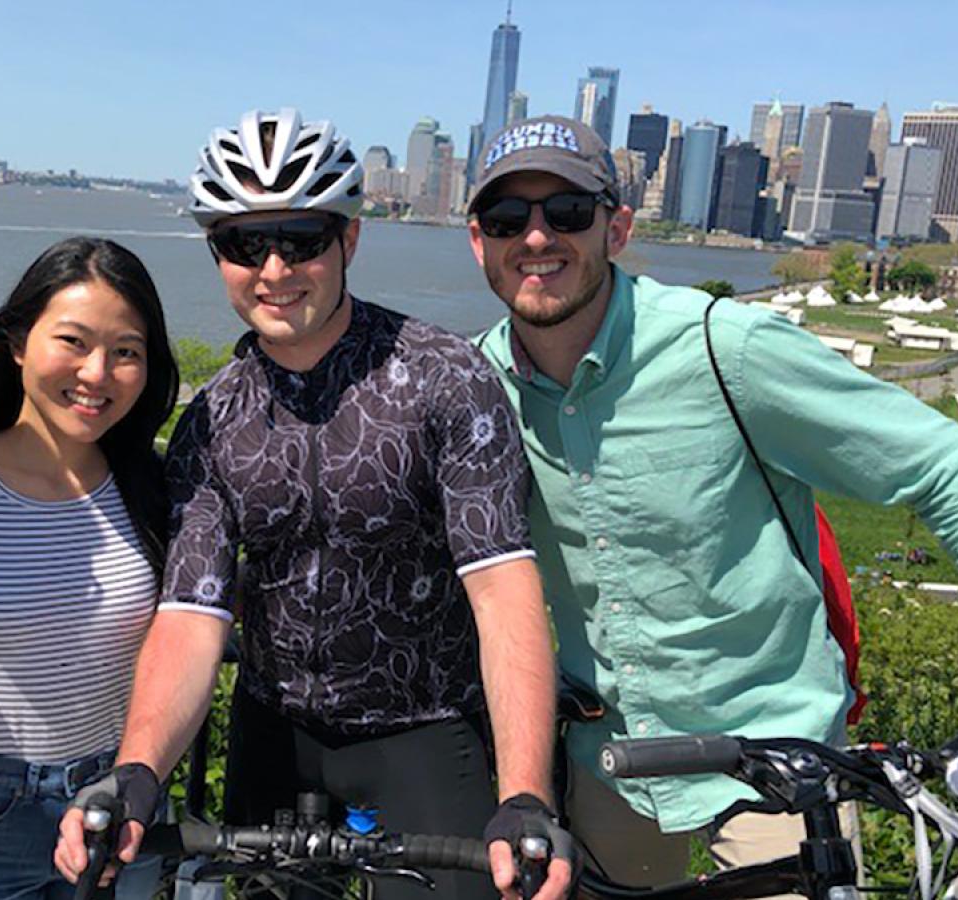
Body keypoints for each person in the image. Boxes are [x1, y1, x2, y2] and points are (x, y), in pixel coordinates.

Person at [463, 114, 958, 887]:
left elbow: (944, 466)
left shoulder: (724, 349)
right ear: (479, 243)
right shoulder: (473, 388)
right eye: (508, 219)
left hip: (778, 764)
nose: (535, 239)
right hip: (609, 766)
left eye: (566, 213)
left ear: (619, 227)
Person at [55, 108, 574, 900]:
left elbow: (502, 589)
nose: (273, 268)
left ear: (349, 242)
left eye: (300, 238)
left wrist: (526, 794)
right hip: (274, 735)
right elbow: (192, 613)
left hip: (427, 731)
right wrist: (136, 771)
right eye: (242, 242)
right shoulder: (212, 420)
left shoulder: (445, 378)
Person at [0, 237, 177, 899]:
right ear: (17, 344)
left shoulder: (157, 488)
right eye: (73, 342)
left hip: (123, 794)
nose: (97, 373)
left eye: (126, 351)